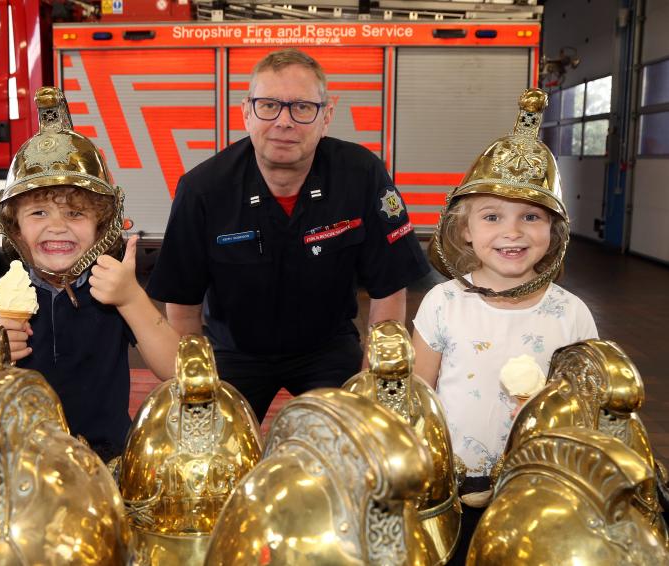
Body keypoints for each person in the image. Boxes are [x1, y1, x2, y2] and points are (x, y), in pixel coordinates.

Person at [148, 48, 429, 422]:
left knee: (359, 447)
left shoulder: (361, 175)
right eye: (268, 105)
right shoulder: (203, 189)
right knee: (207, 453)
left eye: (301, 107)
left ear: (326, 116)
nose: (284, 122)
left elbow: (388, 289)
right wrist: (196, 383)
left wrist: (371, 383)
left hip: (327, 348)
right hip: (233, 350)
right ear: (246, 112)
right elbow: (183, 308)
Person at [0, 87, 179, 448]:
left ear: (102, 224)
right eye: (38, 212)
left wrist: (131, 298)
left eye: (75, 213)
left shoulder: (111, 288)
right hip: (21, 460)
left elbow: (175, 370)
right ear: (15, 226)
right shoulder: (0, 293)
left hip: (104, 460)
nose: (57, 226)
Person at [411, 89, 598, 501]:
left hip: (540, 482)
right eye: (492, 216)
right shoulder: (442, 303)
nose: (512, 232)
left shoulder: (572, 314)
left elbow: (585, 407)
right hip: (453, 483)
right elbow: (419, 395)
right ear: (464, 230)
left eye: (531, 217)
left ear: (553, 232)